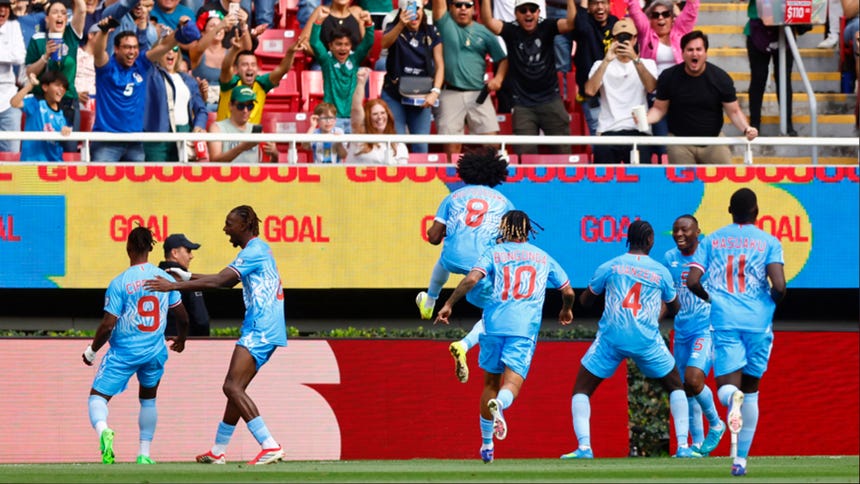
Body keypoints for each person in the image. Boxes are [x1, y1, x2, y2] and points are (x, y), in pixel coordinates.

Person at [145, 205, 288, 466]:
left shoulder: (254, 250)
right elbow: (227, 278)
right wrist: (187, 275)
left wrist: (174, 285)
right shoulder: (257, 250)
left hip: (261, 327)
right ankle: (219, 450)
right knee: (236, 388)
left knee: (231, 387)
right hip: (266, 327)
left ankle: (269, 444)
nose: (225, 229)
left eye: (229, 223)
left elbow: (221, 281)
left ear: (244, 225)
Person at [435, 210, 575, 463]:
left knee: (489, 384)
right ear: (528, 230)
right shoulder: (542, 257)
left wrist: (449, 303)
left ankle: (487, 445)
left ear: (504, 227)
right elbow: (567, 290)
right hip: (523, 330)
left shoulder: (494, 253)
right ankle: (500, 405)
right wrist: (566, 308)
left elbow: (471, 279)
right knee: (512, 384)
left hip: (492, 325)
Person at [560, 220, 696, 459]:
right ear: (651, 240)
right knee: (676, 385)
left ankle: (584, 448)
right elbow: (675, 307)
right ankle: (683, 446)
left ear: (628, 239)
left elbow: (585, 301)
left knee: (581, 389)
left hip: (612, 338)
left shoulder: (610, 266)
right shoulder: (660, 271)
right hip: (646, 339)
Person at [686, 188, 786, 477]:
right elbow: (779, 286)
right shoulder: (769, 241)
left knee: (727, 389)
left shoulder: (713, 240)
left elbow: (693, 281)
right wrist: (767, 306)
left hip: (725, 320)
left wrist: (713, 299)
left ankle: (732, 400)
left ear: (730, 210)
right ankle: (740, 461)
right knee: (752, 390)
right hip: (758, 322)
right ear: (756, 212)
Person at [82, 226, 189, 465]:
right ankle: (144, 454)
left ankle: (104, 432)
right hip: (154, 351)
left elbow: (108, 325)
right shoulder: (164, 279)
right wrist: (181, 338)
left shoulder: (120, 282)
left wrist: (91, 351)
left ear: (128, 248)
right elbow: (182, 316)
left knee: (97, 398)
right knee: (148, 400)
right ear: (151, 248)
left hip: (123, 353)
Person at [416, 146, 513, 382]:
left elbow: (433, 237)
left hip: (453, 257)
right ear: (496, 174)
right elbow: (507, 242)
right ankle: (464, 344)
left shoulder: (453, 197)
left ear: (465, 171)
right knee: (492, 313)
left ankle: (429, 301)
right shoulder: (504, 202)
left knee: (444, 260)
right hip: (481, 264)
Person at [662, 214, 726, 456]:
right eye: (676, 230)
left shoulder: (710, 255)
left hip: (707, 327)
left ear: (698, 231)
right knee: (687, 389)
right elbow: (668, 297)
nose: (679, 234)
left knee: (693, 379)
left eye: (685, 230)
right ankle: (697, 446)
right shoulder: (670, 258)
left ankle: (717, 424)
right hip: (682, 330)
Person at [644, 30, 758, 165]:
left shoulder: (721, 78)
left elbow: (734, 111)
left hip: (713, 141)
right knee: (683, 185)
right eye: (690, 50)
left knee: (724, 181)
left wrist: (747, 128)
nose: (694, 53)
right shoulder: (669, 77)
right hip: (680, 142)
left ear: (706, 53)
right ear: (682, 53)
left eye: (699, 49)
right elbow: (659, 109)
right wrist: (644, 119)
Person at [480, 0, 575, 155]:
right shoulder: (511, 30)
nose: (528, 13)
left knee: (563, 152)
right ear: (516, 14)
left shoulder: (548, 26)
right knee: (525, 157)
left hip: (551, 99)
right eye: (523, 10)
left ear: (538, 12)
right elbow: (488, 22)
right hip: (522, 104)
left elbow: (571, 23)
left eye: (532, 9)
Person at [431, 0, 508, 156]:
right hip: (450, 92)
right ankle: (452, 180)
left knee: (493, 145)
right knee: (452, 150)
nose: (463, 9)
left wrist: (498, 78)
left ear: (474, 9)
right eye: (458, 5)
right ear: (450, 7)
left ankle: (491, 178)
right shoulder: (444, 23)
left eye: (468, 5)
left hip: (479, 94)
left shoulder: (484, 31)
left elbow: (503, 59)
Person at [625, 0, 699, 160]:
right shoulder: (646, 33)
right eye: (656, 15)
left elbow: (692, 9)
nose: (661, 19)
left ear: (673, 18)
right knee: (662, 144)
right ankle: (663, 178)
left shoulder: (681, 31)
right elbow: (634, 9)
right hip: (657, 97)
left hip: (681, 96)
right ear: (649, 19)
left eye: (666, 14)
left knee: (684, 141)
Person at [584, 18, 657, 163]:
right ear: (613, 40)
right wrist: (606, 60)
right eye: (619, 38)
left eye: (628, 37)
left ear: (635, 39)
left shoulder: (647, 64)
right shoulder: (600, 64)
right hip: (608, 130)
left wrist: (635, 59)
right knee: (604, 182)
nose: (624, 41)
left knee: (642, 180)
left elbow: (651, 87)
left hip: (639, 131)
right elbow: (590, 91)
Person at [379, 0, 443, 154]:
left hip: (421, 94)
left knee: (421, 145)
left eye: (417, 9)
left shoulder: (431, 31)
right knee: (396, 143)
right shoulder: (393, 27)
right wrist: (401, 24)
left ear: (422, 10)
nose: (414, 13)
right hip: (394, 93)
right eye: (408, 9)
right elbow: (384, 43)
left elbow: (440, 65)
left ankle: (421, 178)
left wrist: (435, 92)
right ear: (401, 11)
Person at [24, 0, 87, 152]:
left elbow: (82, 9)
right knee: (40, 148)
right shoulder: (38, 39)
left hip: (68, 102)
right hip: (41, 102)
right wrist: (45, 57)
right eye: (55, 12)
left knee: (69, 149)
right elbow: (29, 72)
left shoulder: (72, 35)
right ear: (47, 19)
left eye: (64, 13)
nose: (60, 15)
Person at [308, 7, 375, 132]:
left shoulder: (354, 59)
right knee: (335, 151)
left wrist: (368, 24)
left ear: (351, 46)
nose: (343, 48)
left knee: (353, 151)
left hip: (353, 117)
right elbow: (314, 43)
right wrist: (318, 21)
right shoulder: (326, 61)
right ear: (330, 46)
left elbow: (368, 43)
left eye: (346, 44)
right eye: (338, 44)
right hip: (333, 118)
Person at [216, 28, 302, 124]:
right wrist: (234, 51)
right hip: (224, 136)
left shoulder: (262, 84)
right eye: (244, 65)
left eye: (253, 65)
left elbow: (282, 70)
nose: (250, 68)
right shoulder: (230, 84)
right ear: (236, 69)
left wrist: (290, 53)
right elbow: (225, 68)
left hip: (250, 138)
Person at [145, 41, 209, 161]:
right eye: (166, 48)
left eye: (174, 48)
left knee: (183, 176)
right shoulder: (150, 74)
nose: (171, 52)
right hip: (157, 136)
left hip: (184, 132)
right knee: (156, 176)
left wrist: (198, 126)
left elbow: (201, 109)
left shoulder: (188, 80)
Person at [744, 2, 799, 137]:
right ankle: (754, 125)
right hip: (758, 27)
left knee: (784, 78)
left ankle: (787, 124)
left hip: (786, 23)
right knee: (758, 78)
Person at [569, 0, 618, 136]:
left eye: (603, 3)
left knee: (617, 132)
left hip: (613, 91)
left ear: (609, 5)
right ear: (589, 7)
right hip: (591, 93)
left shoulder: (615, 23)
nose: (600, 7)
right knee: (598, 132)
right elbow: (581, 27)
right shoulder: (584, 23)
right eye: (595, 3)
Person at [347, 67, 408, 164]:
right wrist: (361, 83)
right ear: (367, 118)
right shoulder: (360, 138)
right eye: (375, 114)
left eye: (383, 113)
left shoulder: (399, 144)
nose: (380, 117)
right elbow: (356, 108)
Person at [11, 71, 72, 161]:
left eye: (64, 87)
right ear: (45, 87)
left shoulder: (64, 112)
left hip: (55, 165)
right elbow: (14, 103)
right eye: (57, 85)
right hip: (31, 163)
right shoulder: (35, 103)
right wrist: (30, 85)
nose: (61, 89)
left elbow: (66, 134)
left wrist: (66, 130)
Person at [158, 233, 211, 337]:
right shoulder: (187, 281)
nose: (191, 256)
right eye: (188, 251)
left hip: (155, 346)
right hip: (183, 345)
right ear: (174, 253)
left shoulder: (153, 278)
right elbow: (201, 320)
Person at [209, 85, 278, 162]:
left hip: (252, 173)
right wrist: (242, 147)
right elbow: (214, 161)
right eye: (241, 106)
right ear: (230, 106)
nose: (245, 110)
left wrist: (275, 154)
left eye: (250, 106)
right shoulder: (217, 128)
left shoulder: (256, 130)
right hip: (228, 173)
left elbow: (267, 168)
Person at [300, 0, 368, 68]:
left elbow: (367, 46)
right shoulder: (321, 11)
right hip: (324, 65)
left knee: (367, 74)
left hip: (352, 65)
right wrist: (325, 57)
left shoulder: (358, 12)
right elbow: (303, 41)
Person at [189, 10, 233, 111]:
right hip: (201, 103)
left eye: (221, 26)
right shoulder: (195, 50)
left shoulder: (229, 52)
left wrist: (244, 25)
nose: (219, 29)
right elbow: (200, 48)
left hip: (224, 104)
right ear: (203, 32)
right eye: (212, 26)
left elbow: (247, 47)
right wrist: (220, 25)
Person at [0, 0, 26, 154]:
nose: (2, 10)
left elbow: (20, 57)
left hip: (8, 100)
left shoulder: (13, 26)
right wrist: (7, 53)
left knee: (12, 155)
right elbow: (13, 55)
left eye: (5, 6)